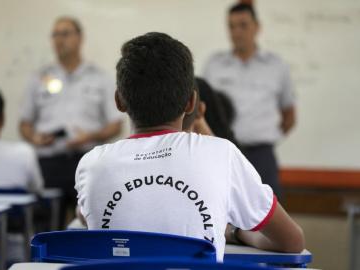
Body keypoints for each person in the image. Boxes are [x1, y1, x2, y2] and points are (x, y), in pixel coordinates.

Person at [75, 32, 304, 261]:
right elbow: (292, 241)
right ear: (192, 102)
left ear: (119, 101)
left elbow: (86, 216)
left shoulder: (91, 165)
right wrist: (236, 234)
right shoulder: (221, 155)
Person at [19, 17, 122, 225]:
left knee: (89, 223)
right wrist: (35, 138)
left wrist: (90, 136)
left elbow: (116, 124)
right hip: (49, 163)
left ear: (80, 38)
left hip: (87, 161)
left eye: (65, 34)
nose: (59, 40)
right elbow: (24, 124)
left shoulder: (99, 77)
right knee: (46, 228)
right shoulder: (39, 77)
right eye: (55, 35)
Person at [203, 3, 296, 198]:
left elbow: (289, 115)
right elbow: (203, 109)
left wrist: (264, 134)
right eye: (231, 26)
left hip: (262, 155)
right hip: (224, 154)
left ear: (257, 27)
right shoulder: (215, 65)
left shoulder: (276, 66)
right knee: (224, 216)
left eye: (243, 25)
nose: (237, 32)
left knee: (268, 219)